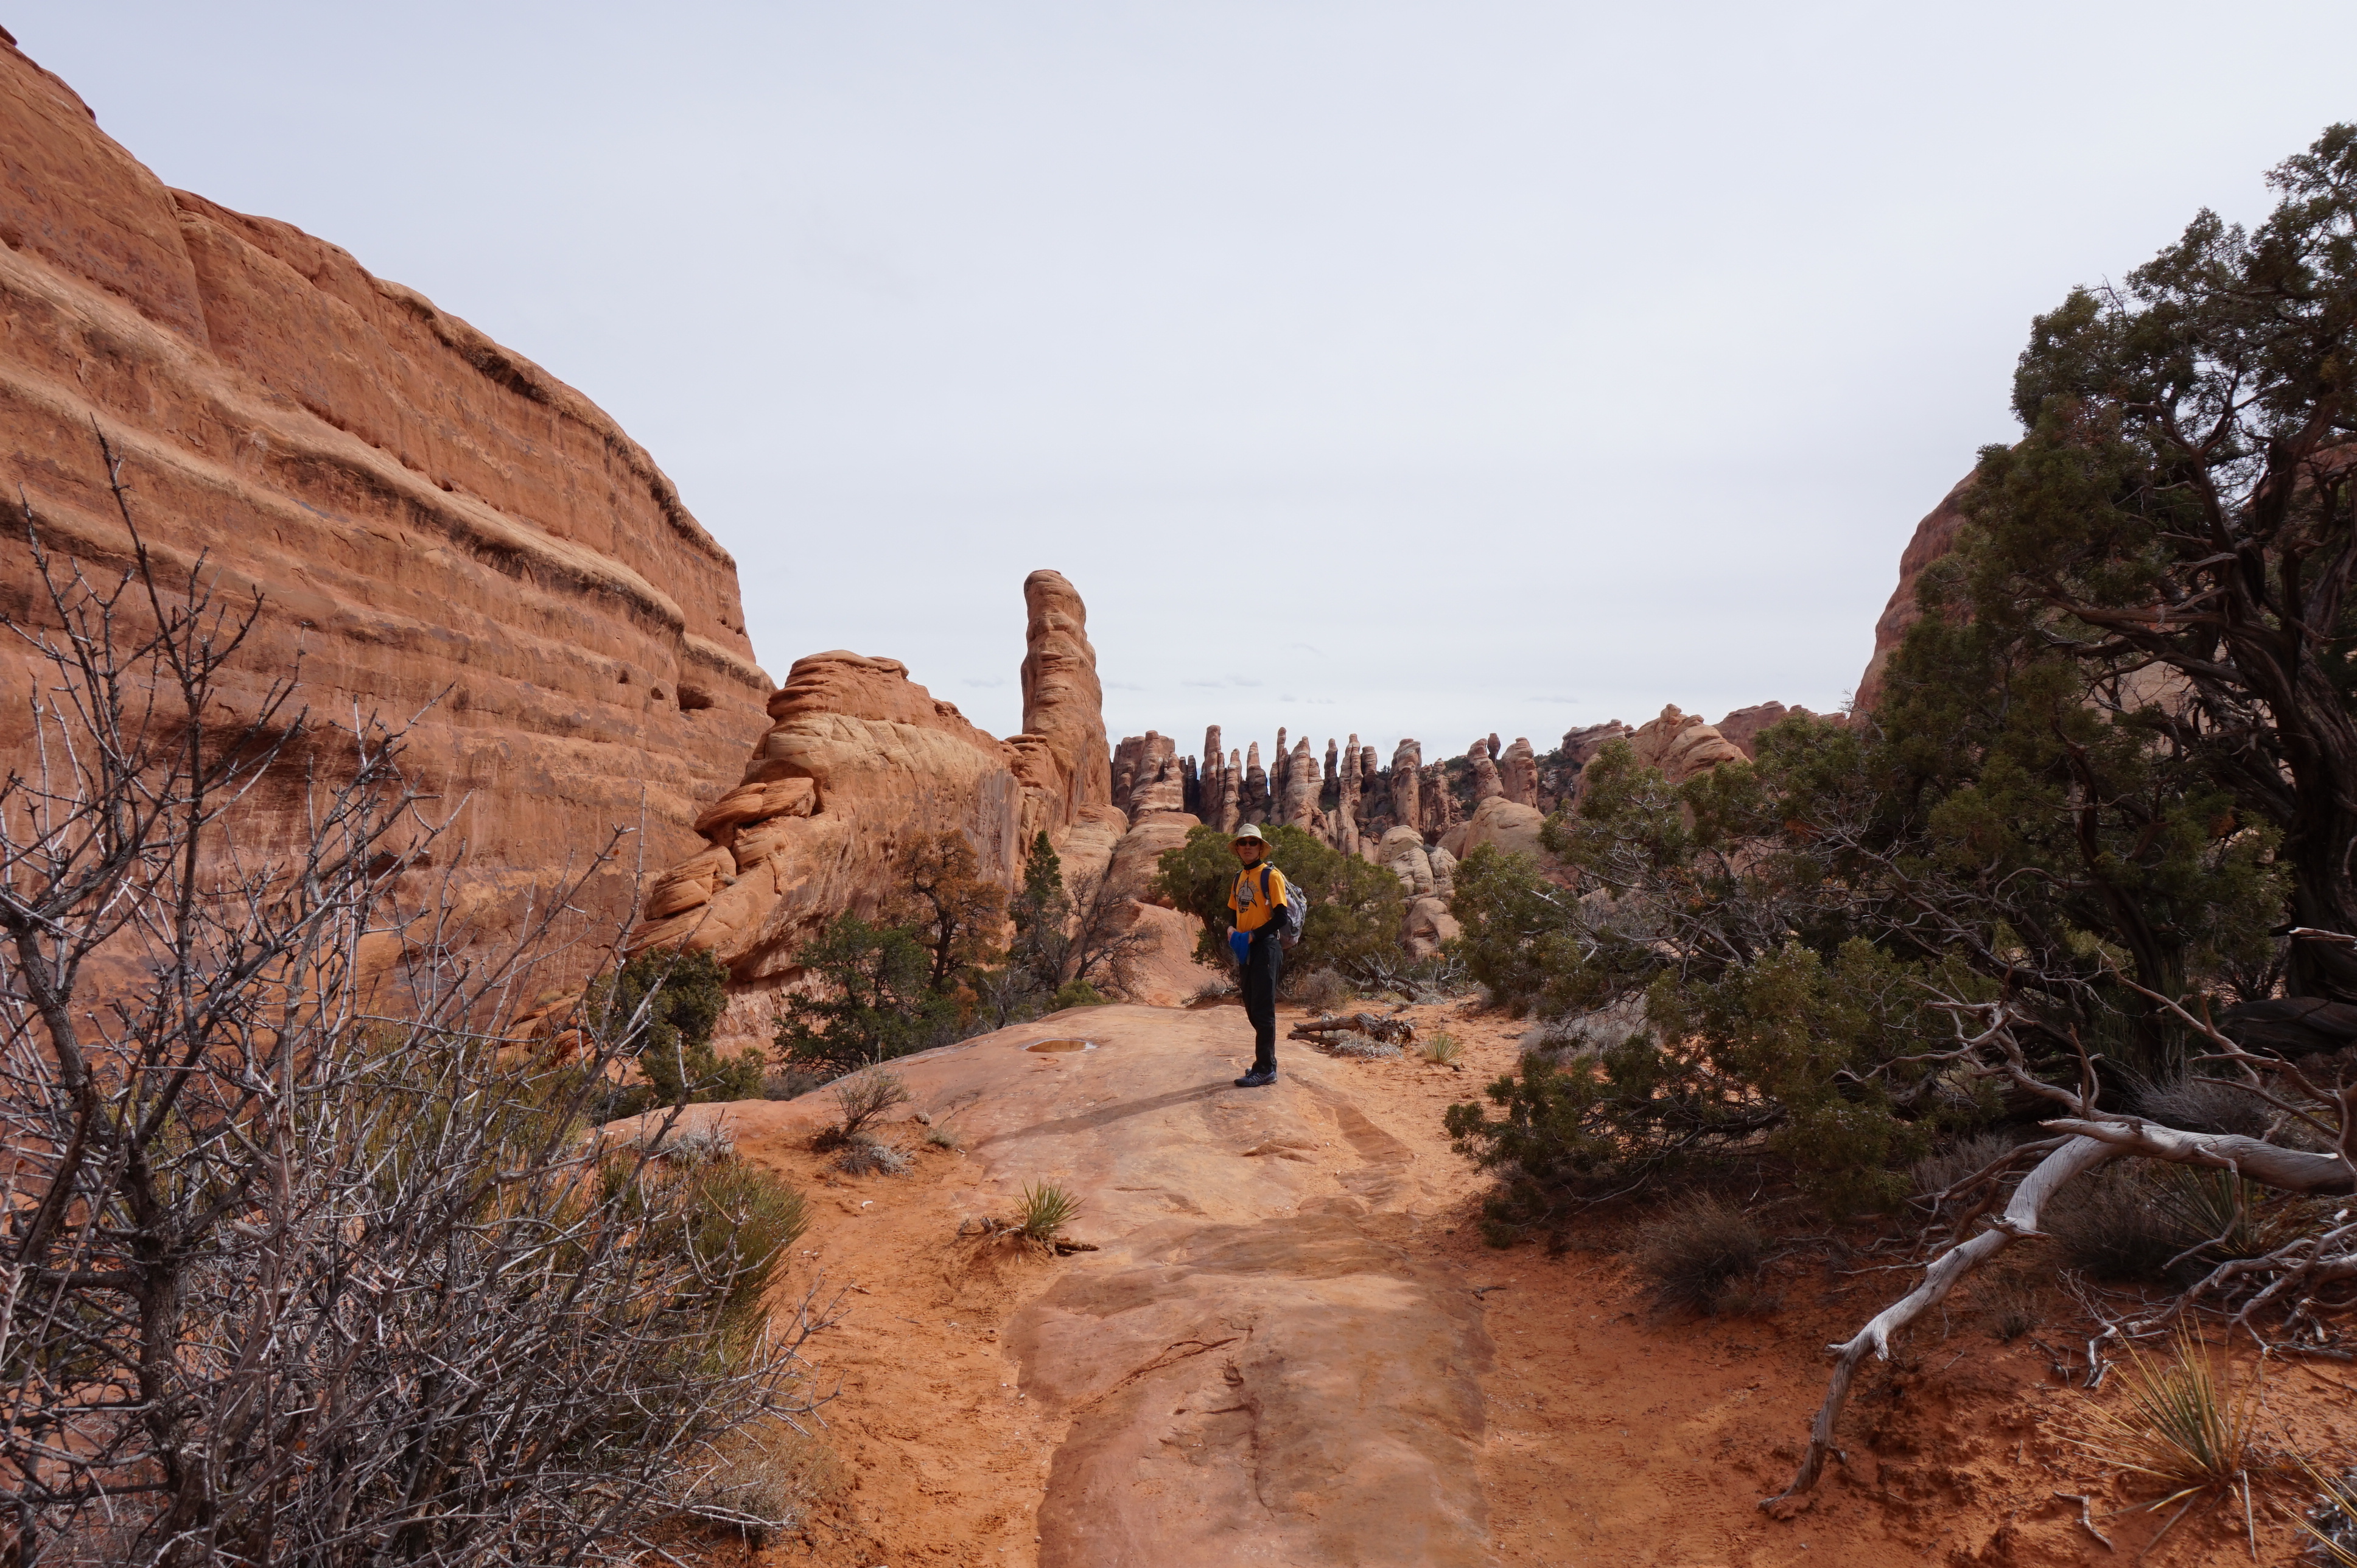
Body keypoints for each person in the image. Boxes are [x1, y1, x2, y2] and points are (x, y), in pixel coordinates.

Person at [1225, 824, 1292, 1087]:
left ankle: (1266, 1068)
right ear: (1238, 848)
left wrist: (1255, 935)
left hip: (1265, 947)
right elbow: (1234, 912)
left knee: (1263, 1011)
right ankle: (1264, 1063)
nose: (1248, 847)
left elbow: (1281, 918)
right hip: (1246, 947)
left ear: (1261, 847)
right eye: (1243, 843)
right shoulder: (1238, 878)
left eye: (1253, 842)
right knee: (1252, 1007)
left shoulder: (1271, 876)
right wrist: (1231, 929)